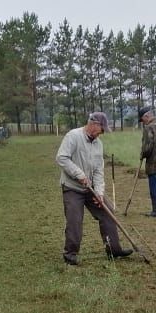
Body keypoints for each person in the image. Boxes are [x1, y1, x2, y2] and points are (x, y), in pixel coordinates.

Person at [55, 112, 132, 266]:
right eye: (101, 129)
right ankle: (70, 254)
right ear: (93, 124)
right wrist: (79, 174)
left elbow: (98, 171)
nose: (102, 133)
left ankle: (114, 250)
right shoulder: (73, 136)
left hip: (90, 189)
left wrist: (99, 193)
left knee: (107, 212)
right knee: (74, 221)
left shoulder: (98, 144)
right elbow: (61, 158)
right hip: (72, 187)